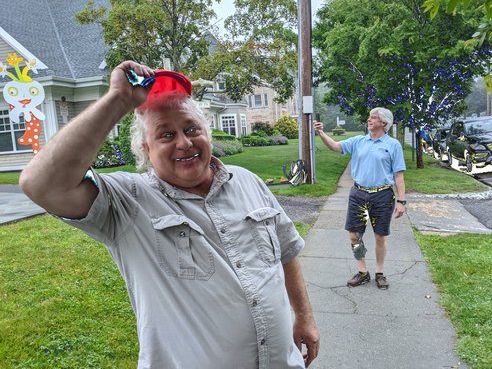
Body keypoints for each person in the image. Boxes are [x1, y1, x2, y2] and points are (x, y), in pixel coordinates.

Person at [20, 61, 319, 368]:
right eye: (166, 135)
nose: (184, 142)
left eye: (192, 129)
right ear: (145, 149)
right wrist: (118, 99)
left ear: (208, 133)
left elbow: (286, 250)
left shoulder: (247, 181)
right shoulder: (127, 202)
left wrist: (304, 316)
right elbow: (41, 184)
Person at [313, 107, 406, 290]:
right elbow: (336, 146)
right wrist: (321, 133)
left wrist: (401, 202)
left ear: (384, 123)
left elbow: (399, 176)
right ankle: (362, 271)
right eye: (369, 117)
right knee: (354, 236)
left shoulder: (393, 145)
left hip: (382, 195)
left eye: (374, 118)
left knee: (380, 236)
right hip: (358, 194)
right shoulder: (359, 141)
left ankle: (380, 273)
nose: (369, 120)